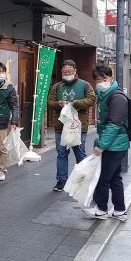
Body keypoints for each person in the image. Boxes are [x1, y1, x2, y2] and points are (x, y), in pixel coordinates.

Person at [83, 65, 130, 221]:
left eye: (105, 78)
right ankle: (119, 210)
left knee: (103, 178)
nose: (101, 82)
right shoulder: (104, 94)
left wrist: (101, 145)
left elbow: (114, 124)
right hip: (115, 144)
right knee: (115, 178)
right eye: (98, 79)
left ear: (111, 77)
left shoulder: (117, 97)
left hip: (115, 145)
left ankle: (102, 209)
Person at [47, 60, 96, 192]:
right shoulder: (57, 86)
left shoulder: (85, 85)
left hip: (78, 126)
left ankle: (83, 180)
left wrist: (77, 103)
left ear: (75, 71)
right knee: (61, 154)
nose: (66, 74)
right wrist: (58, 103)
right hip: (61, 126)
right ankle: (61, 180)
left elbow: (91, 99)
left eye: (69, 71)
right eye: (64, 72)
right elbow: (50, 102)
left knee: (80, 153)